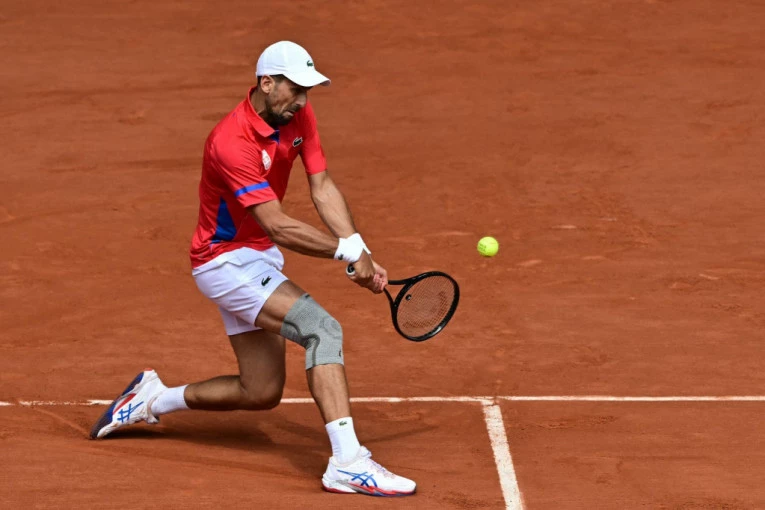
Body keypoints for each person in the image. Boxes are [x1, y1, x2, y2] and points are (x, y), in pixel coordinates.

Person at [89, 40, 416, 497]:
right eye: (295, 89)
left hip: (258, 256)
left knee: (260, 391)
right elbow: (277, 224)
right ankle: (348, 462)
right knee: (322, 330)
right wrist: (346, 254)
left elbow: (321, 186)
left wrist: (359, 247)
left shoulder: (298, 116)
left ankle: (151, 399)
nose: (302, 100)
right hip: (223, 260)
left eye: (307, 90)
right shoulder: (231, 141)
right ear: (266, 83)